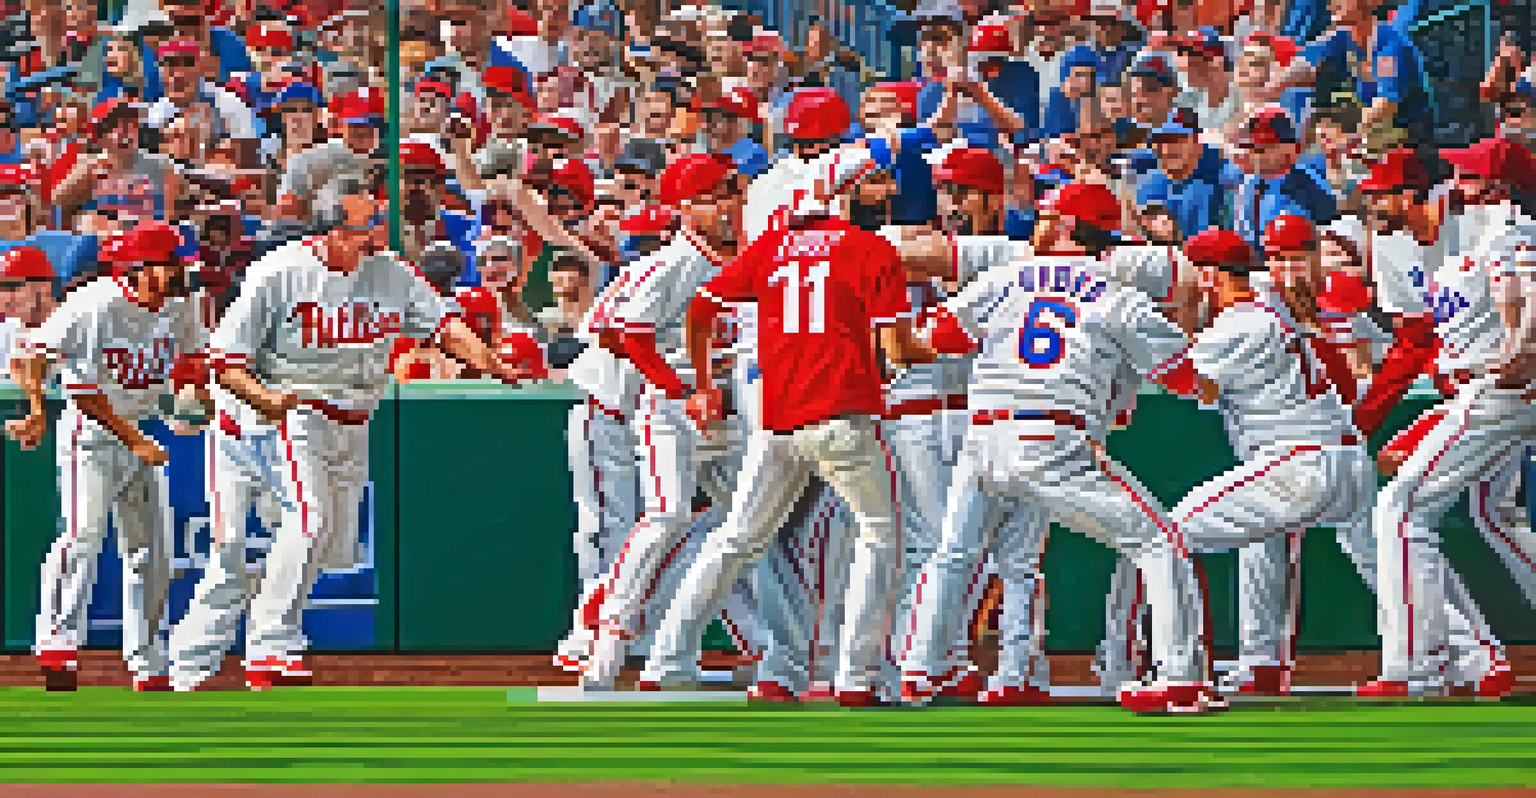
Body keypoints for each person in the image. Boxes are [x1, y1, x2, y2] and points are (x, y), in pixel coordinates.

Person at [165, 175, 521, 691]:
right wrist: (270, 403)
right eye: (362, 227)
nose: (375, 235)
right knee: (296, 526)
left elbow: (443, 325)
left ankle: (208, 652)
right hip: (278, 412)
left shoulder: (391, 274)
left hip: (352, 418)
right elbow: (226, 363)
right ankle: (268, 645)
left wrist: (487, 360)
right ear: (330, 231)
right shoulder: (279, 273)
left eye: (375, 223)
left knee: (322, 542)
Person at [902, 181, 1214, 714]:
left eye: (1048, 217)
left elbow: (926, 343)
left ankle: (919, 671)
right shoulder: (1117, 295)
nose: (1039, 225)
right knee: (1161, 542)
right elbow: (1188, 379)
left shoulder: (1003, 277)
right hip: (1052, 435)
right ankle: (1181, 679)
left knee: (954, 553)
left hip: (984, 438)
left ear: (1069, 226)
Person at [637, 144, 930, 707]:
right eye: (870, 187)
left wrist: (701, 384)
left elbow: (702, 309)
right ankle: (856, 677)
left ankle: (667, 660)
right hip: (842, 413)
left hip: (776, 417)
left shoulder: (772, 246)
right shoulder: (871, 249)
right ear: (840, 198)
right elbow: (899, 346)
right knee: (880, 534)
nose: (882, 194)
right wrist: (936, 346)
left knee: (736, 539)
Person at [1360, 138, 1536, 700]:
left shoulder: (1510, 231)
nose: (1455, 183)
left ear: (1497, 187)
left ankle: (1418, 662)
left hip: (1498, 394)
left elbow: (1524, 300)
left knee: (1401, 505)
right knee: (1491, 515)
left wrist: (1520, 353)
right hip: (1478, 394)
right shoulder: (1476, 235)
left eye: (1468, 176)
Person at [6, 221, 207, 692]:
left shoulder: (183, 305)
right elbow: (38, 362)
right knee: (83, 536)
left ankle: (146, 660)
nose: (180, 272)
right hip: (91, 434)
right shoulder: (95, 305)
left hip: (142, 425)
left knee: (153, 552)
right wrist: (36, 408)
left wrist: (195, 397)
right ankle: (57, 643)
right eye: (171, 264)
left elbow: (194, 361)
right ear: (139, 268)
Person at [577, 154, 746, 690]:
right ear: (686, 209)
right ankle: (608, 634)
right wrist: (684, 388)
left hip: (724, 409)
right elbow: (629, 335)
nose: (724, 205)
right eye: (711, 196)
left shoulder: (739, 257)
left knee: (748, 525)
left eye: (728, 193)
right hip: (671, 407)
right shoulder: (673, 263)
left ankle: (761, 644)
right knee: (669, 513)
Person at [1138, 107, 1242, 240]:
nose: (1167, 148)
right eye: (1160, 141)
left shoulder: (1225, 173)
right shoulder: (1152, 182)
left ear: (1196, 141)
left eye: (1176, 139)